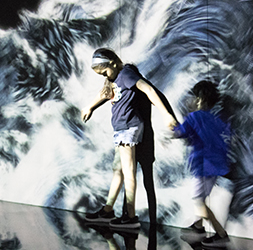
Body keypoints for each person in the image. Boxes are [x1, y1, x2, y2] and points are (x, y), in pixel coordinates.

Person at [81, 48, 177, 229]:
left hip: (128, 128)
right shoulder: (115, 78)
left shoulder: (126, 74)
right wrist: (90, 107)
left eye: (105, 72)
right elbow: (104, 94)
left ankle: (130, 217)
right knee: (118, 170)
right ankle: (108, 210)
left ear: (112, 63)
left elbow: (148, 89)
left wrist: (166, 114)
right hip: (121, 130)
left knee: (128, 172)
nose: (105, 76)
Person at [174, 80, 232, 248]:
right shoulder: (215, 119)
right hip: (215, 166)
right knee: (202, 197)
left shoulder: (194, 117)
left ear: (200, 99)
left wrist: (170, 131)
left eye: (192, 96)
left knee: (198, 201)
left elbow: (181, 132)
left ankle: (221, 234)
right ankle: (198, 227)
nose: (189, 100)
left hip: (202, 166)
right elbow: (226, 135)